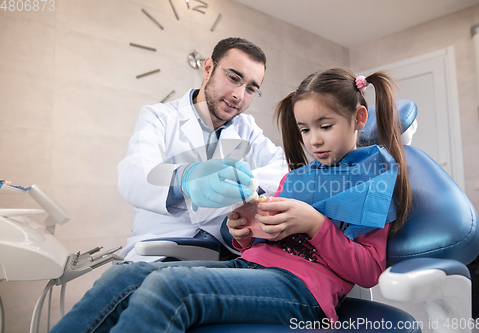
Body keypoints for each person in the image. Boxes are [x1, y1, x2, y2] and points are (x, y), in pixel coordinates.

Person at [49, 68, 412, 333]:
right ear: (208, 70)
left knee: (169, 288)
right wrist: (243, 231)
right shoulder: (298, 177)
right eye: (304, 130)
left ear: (359, 118)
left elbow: (367, 271)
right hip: (253, 266)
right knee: (123, 276)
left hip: (303, 289)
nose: (314, 140)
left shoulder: (373, 180)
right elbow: (264, 238)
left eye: (325, 126)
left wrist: (316, 225)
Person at [116, 37, 287, 261]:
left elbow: (284, 168)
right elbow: (134, 176)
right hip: (160, 249)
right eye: (234, 78)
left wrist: (245, 183)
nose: (240, 96)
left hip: (222, 251)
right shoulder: (159, 117)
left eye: (251, 89)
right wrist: (185, 179)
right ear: (208, 68)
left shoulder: (247, 129)